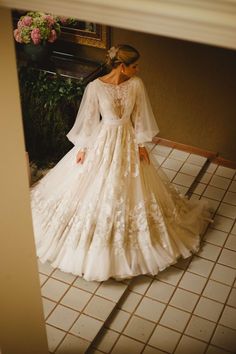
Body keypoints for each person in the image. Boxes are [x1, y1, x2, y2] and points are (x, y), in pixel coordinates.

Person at [31, 44, 211, 282]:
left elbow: (139, 117)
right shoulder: (95, 87)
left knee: (130, 184)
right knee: (91, 184)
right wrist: (83, 147)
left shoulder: (136, 84)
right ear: (122, 66)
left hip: (127, 139)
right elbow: (88, 120)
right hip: (103, 140)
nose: (138, 69)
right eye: (135, 65)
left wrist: (140, 145)